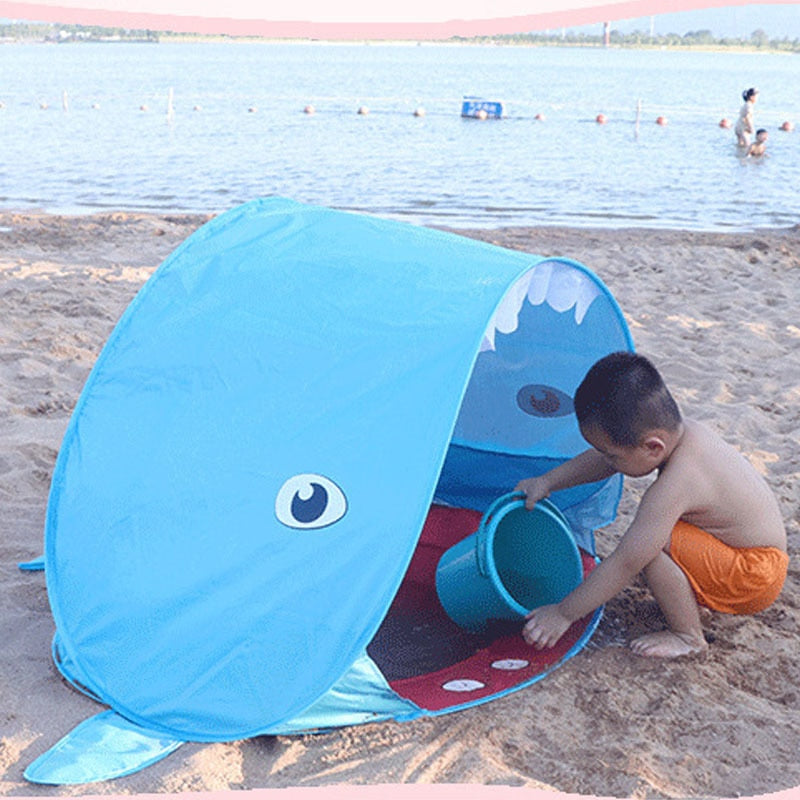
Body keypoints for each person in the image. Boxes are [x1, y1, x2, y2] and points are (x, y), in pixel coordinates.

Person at [515, 352, 787, 659]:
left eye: (612, 455)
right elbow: (606, 462)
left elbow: (627, 561)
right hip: (751, 555)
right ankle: (691, 596)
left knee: (649, 549)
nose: (607, 462)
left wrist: (563, 614)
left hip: (753, 575)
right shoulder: (681, 433)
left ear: (653, 447)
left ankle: (688, 636)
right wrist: (548, 481)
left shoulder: (677, 482)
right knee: (654, 535)